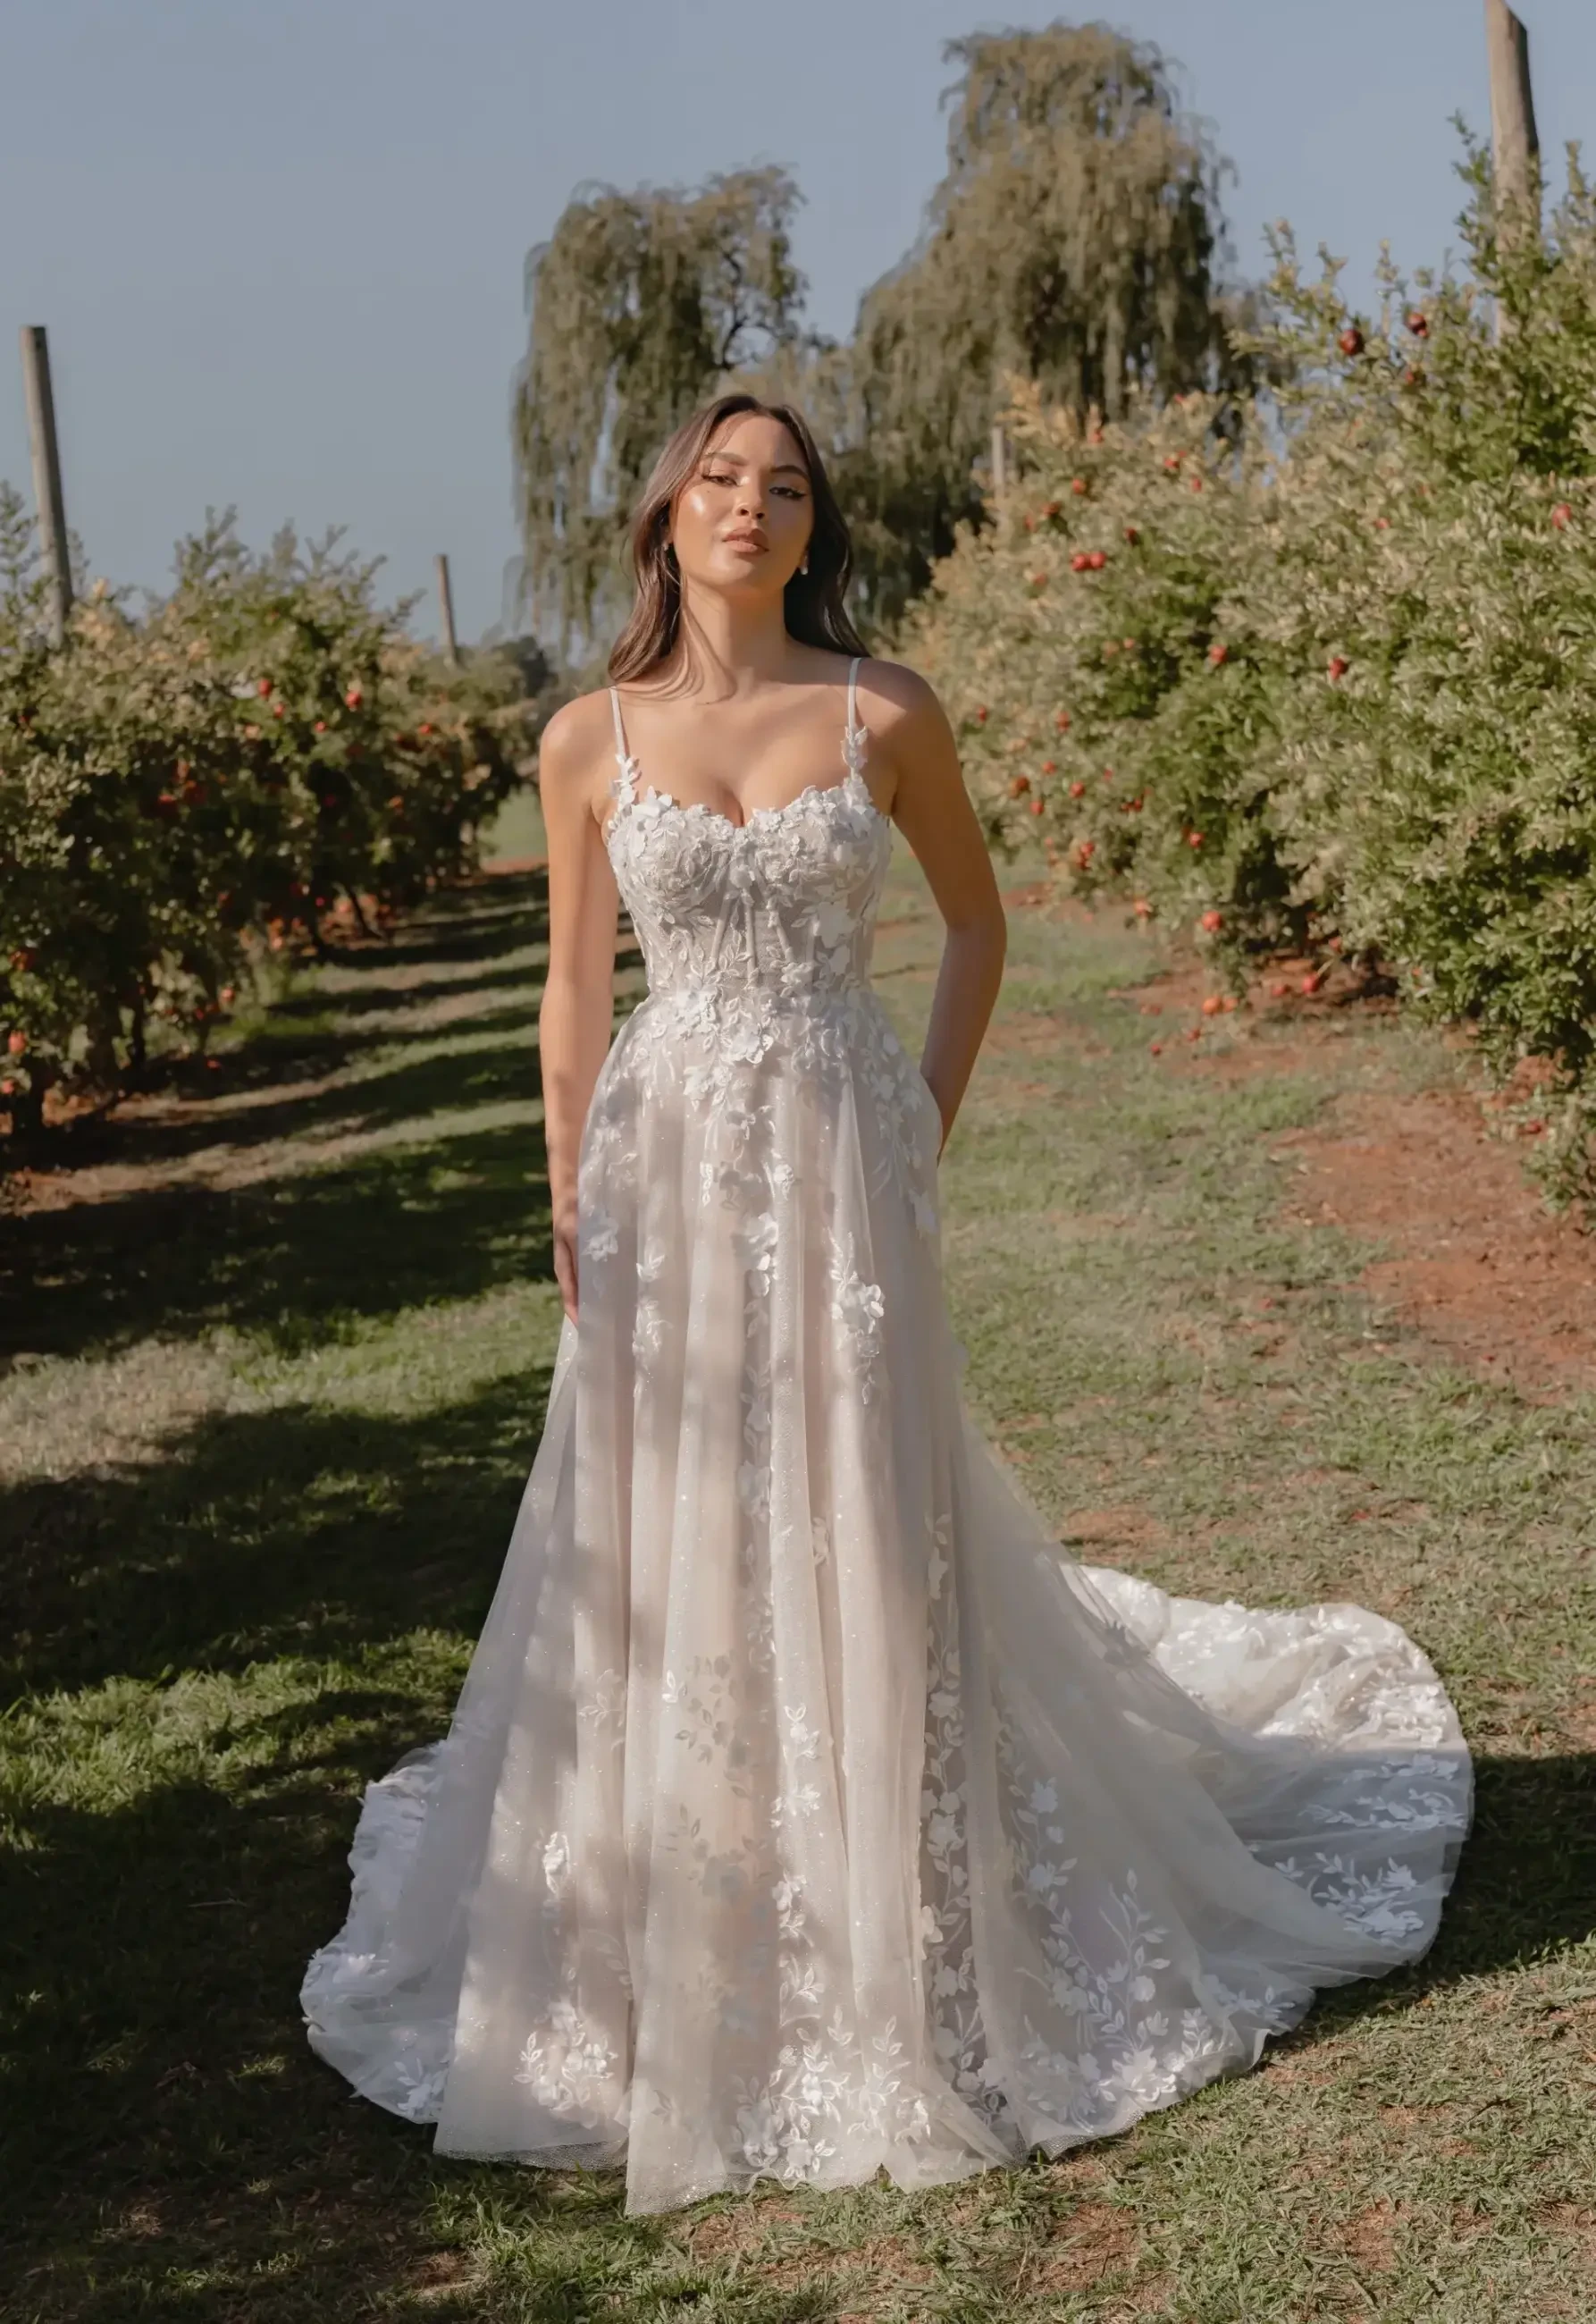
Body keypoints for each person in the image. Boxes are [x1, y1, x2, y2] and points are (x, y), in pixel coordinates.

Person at [302, 393, 1470, 2218]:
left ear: (807, 524)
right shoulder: (583, 736)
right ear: (665, 516)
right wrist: (562, 1192)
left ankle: (890, 1901)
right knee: (678, 1508)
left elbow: (977, 927)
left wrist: (911, 1124)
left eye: (781, 487)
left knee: (858, 1495)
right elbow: (569, 988)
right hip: (667, 1166)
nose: (748, 508)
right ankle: (688, 1903)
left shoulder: (885, 710)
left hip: (844, 1164)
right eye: (718, 479)